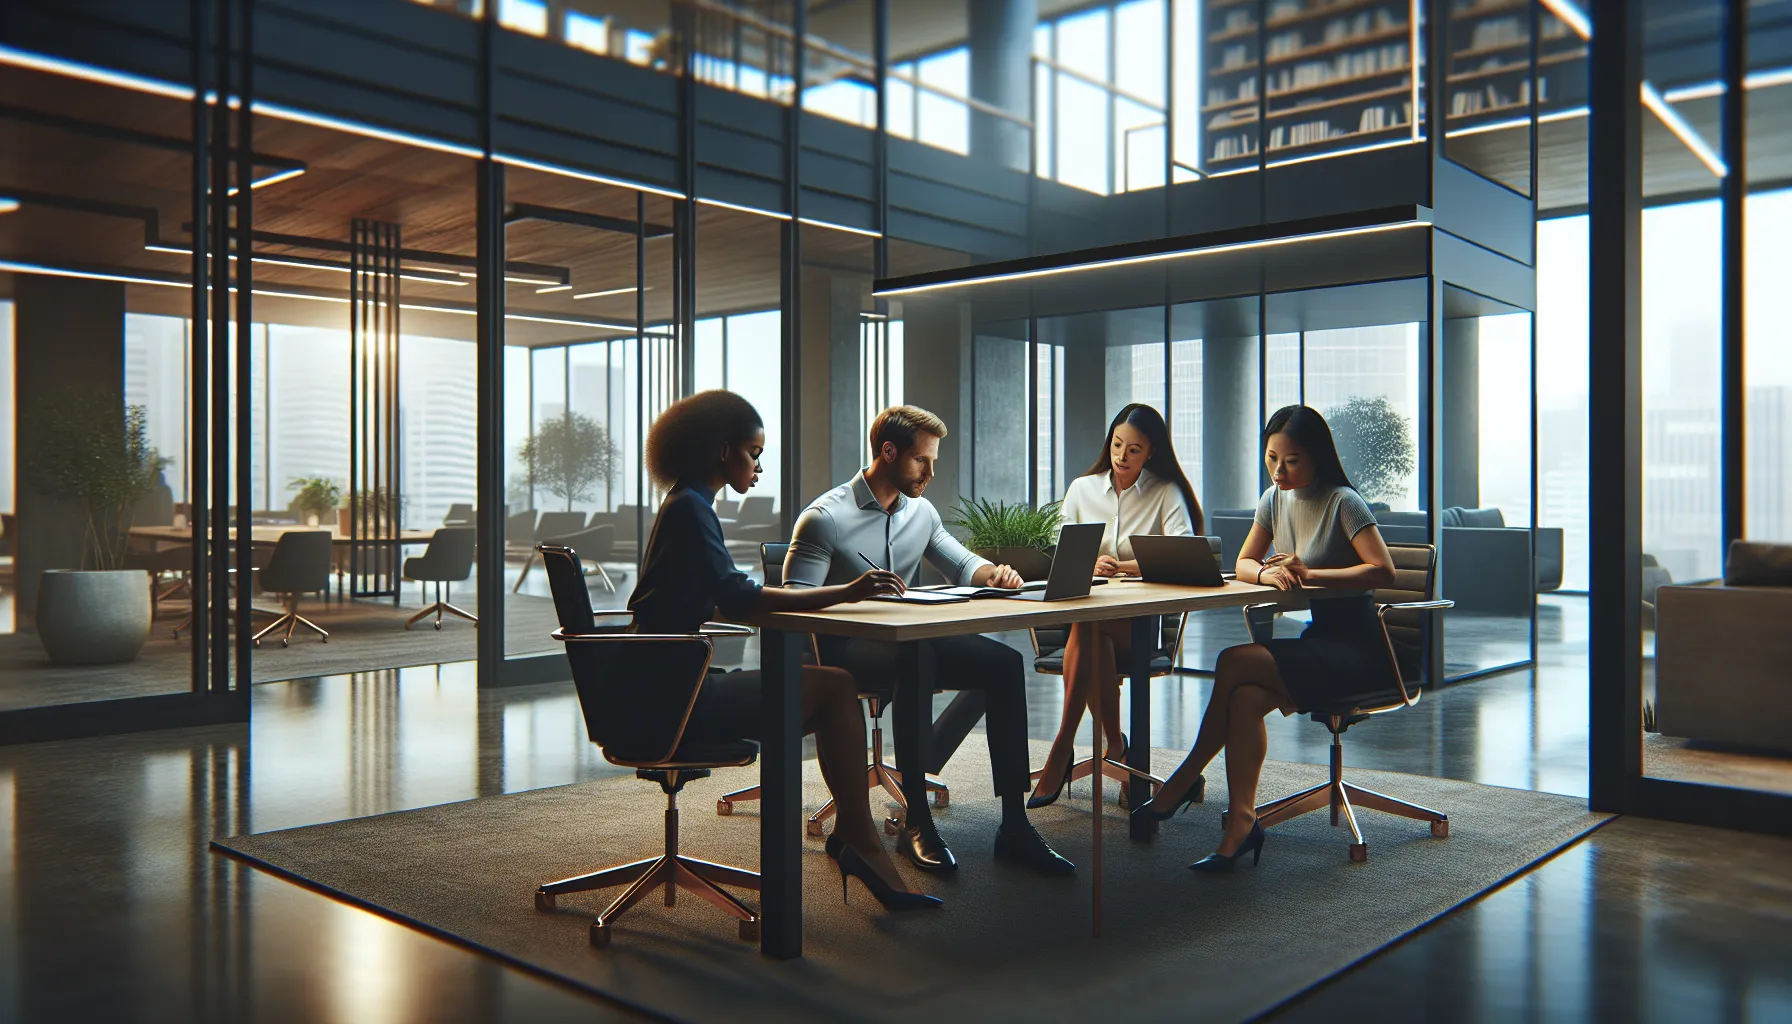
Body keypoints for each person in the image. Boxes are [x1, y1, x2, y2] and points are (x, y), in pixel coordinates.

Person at [627, 390, 940, 912]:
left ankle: (856, 837)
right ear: (721, 450)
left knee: (830, 688)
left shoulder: (686, 504)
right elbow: (741, 599)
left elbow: (717, 596)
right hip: (673, 697)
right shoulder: (691, 510)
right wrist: (845, 591)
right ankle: (859, 841)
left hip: (659, 683)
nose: (759, 466)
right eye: (753, 453)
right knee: (834, 688)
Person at [783, 405, 1075, 878]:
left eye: (933, 461)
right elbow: (791, 604)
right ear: (888, 452)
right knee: (916, 655)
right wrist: (851, 591)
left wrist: (994, 573)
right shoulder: (824, 518)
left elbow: (962, 563)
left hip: (905, 640)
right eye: (922, 460)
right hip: (841, 650)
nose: (931, 473)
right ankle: (916, 822)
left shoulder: (921, 512)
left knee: (1002, 664)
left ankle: (1015, 827)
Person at [1131, 405, 1397, 873]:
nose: (1278, 471)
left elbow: (1383, 570)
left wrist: (1308, 573)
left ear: (1316, 458)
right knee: (1245, 698)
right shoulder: (1274, 499)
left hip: (1359, 651)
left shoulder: (1343, 502)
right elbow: (1243, 562)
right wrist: (1266, 573)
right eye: (1272, 458)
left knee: (1233, 661)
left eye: (1291, 461)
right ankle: (1241, 824)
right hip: (1319, 640)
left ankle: (1186, 776)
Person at [1026, 403, 1203, 809]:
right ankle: (1117, 747)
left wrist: (1124, 566)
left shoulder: (1165, 492)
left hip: (1138, 624)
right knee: (1093, 632)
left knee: (1093, 629)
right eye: (1117, 444)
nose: (1122, 456)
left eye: (1134, 449)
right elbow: (1056, 551)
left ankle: (1063, 746)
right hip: (1087, 615)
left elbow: (1184, 553)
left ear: (1151, 452)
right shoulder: (1082, 489)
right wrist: (1088, 563)